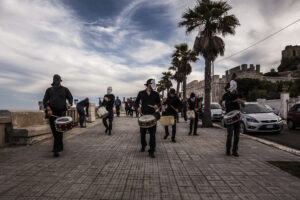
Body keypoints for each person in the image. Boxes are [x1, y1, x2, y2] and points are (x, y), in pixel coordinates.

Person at [43, 74, 73, 157]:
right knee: (54, 131)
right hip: (52, 113)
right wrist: (48, 109)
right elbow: (45, 100)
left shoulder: (65, 89)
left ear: (60, 81)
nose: (57, 83)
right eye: (55, 82)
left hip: (61, 113)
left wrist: (70, 104)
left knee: (59, 130)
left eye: (58, 82)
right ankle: (60, 145)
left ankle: (56, 150)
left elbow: (70, 97)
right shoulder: (49, 90)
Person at [135, 79, 161, 158]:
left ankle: (152, 150)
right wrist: (138, 108)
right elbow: (136, 102)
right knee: (142, 134)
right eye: (151, 84)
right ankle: (143, 146)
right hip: (143, 115)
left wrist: (157, 105)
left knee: (152, 134)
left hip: (153, 115)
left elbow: (159, 102)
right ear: (148, 84)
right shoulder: (141, 93)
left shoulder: (156, 94)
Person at [220, 81, 245, 157]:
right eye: (233, 90)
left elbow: (244, 105)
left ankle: (235, 151)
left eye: (235, 90)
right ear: (230, 89)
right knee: (230, 134)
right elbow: (220, 101)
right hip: (229, 116)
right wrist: (222, 107)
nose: (234, 91)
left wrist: (241, 102)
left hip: (237, 117)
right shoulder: (226, 95)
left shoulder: (238, 94)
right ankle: (228, 150)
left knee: (237, 135)